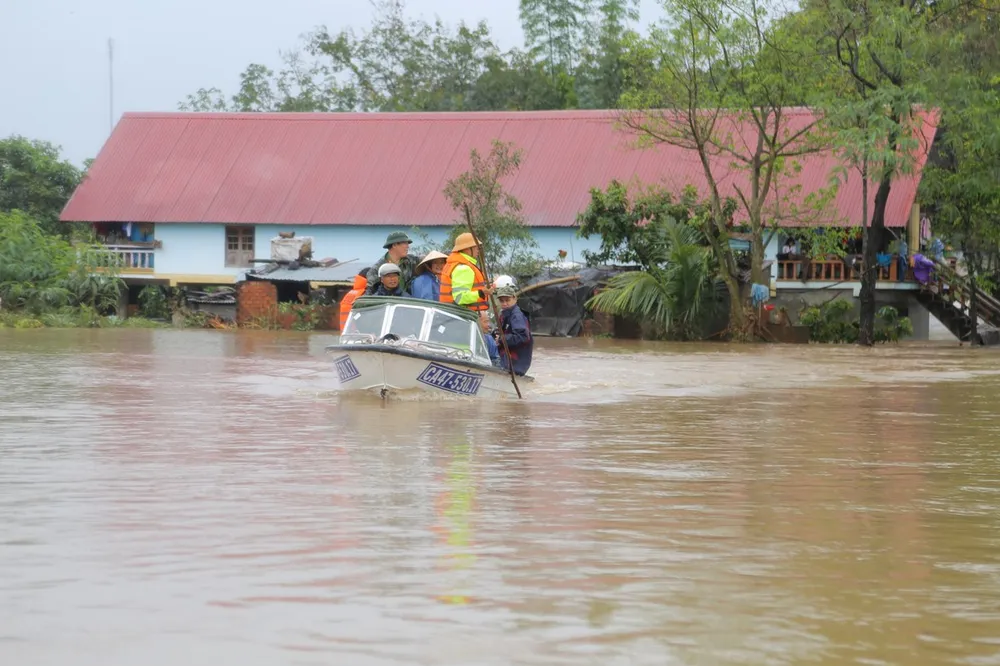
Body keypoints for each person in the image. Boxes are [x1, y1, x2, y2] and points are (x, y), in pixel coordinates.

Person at [440, 232, 491, 312]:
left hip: (452, 313)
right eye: (475, 246)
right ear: (467, 249)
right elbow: (460, 297)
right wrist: (481, 293)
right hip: (464, 315)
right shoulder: (463, 268)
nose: (478, 249)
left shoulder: (455, 264)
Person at [493, 284, 532, 376]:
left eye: (507, 300)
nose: (505, 303)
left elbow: (522, 337)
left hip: (514, 363)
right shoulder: (504, 314)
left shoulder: (516, 316)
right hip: (507, 359)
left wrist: (501, 339)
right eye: (502, 301)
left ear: (515, 299)